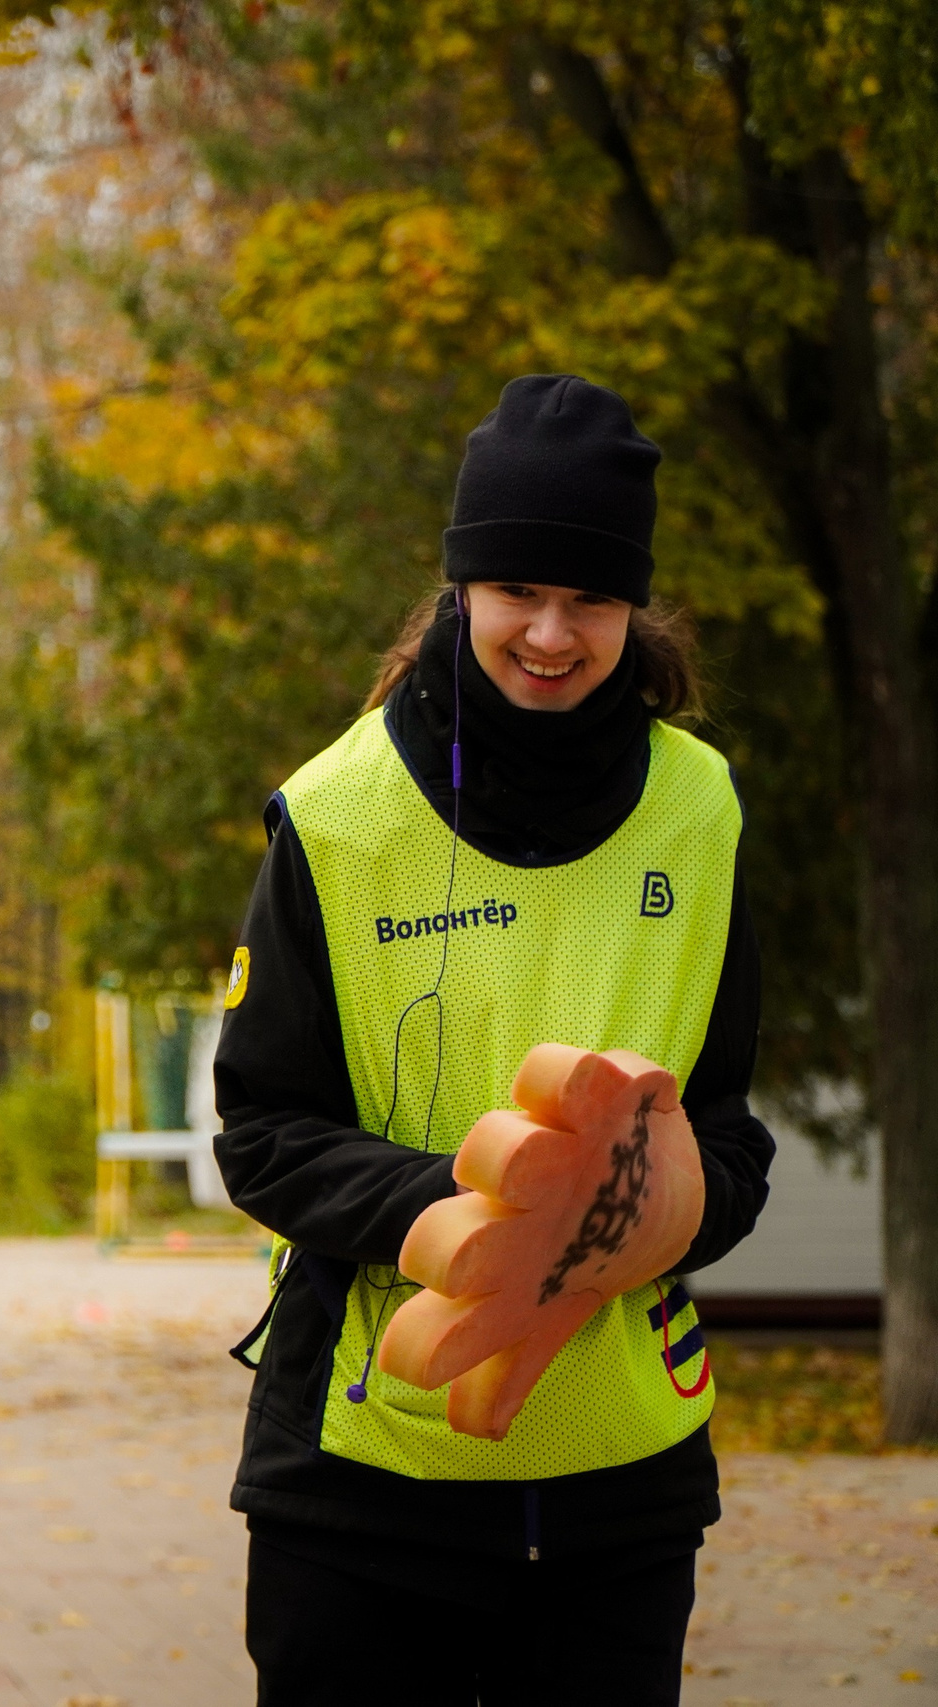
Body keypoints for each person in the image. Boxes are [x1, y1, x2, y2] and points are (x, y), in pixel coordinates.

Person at [212, 375, 775, 1705]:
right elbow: (264, 1133)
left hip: (621, 1496)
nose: (550, 631)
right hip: (362, 1492)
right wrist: (481, 1213)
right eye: (518, 587)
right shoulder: (337, 813)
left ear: (634, 606)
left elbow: (733, 1126)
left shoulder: (702, 812)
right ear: (460, 583)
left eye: (588, 598)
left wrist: (659, 1215)